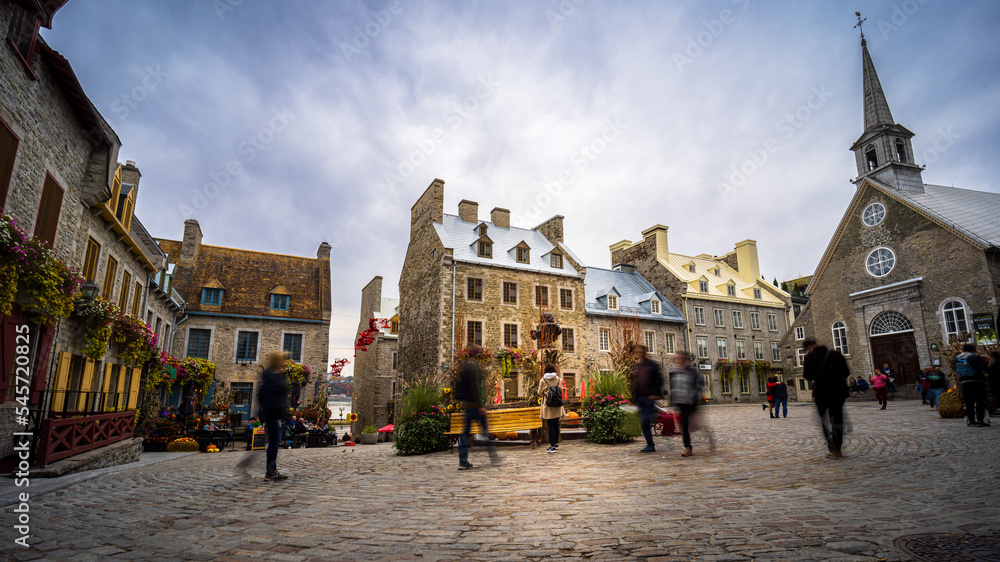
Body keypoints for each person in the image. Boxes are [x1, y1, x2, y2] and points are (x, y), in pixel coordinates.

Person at [802, 339, 850, 458]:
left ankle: (832, 447)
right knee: (837, 419)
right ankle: (838, 448)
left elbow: (807, 376)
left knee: (824, 420)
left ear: (809, 348)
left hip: (821, 392)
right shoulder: (836, 354)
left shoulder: (810, 357)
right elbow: (846, 372)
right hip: (838, 392)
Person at [453, 360, 499, 469]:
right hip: (475, 406)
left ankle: (463, 461)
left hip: (467, 406)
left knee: (465, 434)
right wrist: (480, 405)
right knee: (485, 432)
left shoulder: (466, 368)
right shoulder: (473, 368)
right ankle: (494, 457)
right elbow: (475, 388)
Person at [258, 350, 291, 480]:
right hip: (274, 414)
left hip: (274, 413)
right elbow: (272, 397)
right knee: (274, 442)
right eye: (282, 360)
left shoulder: (272, 376)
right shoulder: (273, 377)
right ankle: (271, 472)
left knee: (274, 442)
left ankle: (271, 470)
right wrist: (279, 410)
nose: (284, 363)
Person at [668, 351, 703, 457]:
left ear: (687, 359)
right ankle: (688, 447)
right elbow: (674, 386)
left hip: (690, 402)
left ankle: (688, 446)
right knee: (684, 424)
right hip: (680, 402)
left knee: (687, 423)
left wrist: (693, 397)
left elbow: (699, 385)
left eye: (682, 358)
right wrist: (673, 400)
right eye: (679, 358)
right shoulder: (677, 371)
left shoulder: (693, 371)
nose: (680, 360)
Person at [632, 344, 664, 453]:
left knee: (645, 420)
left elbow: (659, 380)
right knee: (644, 422)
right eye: (637, 352)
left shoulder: (652, 365)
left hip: (649, 398)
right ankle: (654, 414)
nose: (639, 354)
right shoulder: (638, 366)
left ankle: (650, 445)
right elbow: (636, 383)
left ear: (645, 352)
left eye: (641, 352)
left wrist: (655, 394)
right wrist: (635, 399)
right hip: (640, 398)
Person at [956, 343, 990, 427]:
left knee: (968, 402)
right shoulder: (975, 357)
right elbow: (985, 369)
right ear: (973, 350)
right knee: (980, 400)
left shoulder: (957, 358)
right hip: (977, 380)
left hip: (964, 381)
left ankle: (971, 421)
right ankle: (980, 420)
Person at [538, 364, 565, 453]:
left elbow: (539, 393)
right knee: (556, 424)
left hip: (548, 405)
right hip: (557, 405)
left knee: (550, 425)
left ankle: (552, 446)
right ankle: (556, 444)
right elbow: (560, 390)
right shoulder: (559, 379)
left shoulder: (543, 380)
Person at [987, 351, 1000, 416]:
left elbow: (990, 375)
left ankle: (993, 408)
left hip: (995, 384)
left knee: (994, 397)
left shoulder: (993, 365)